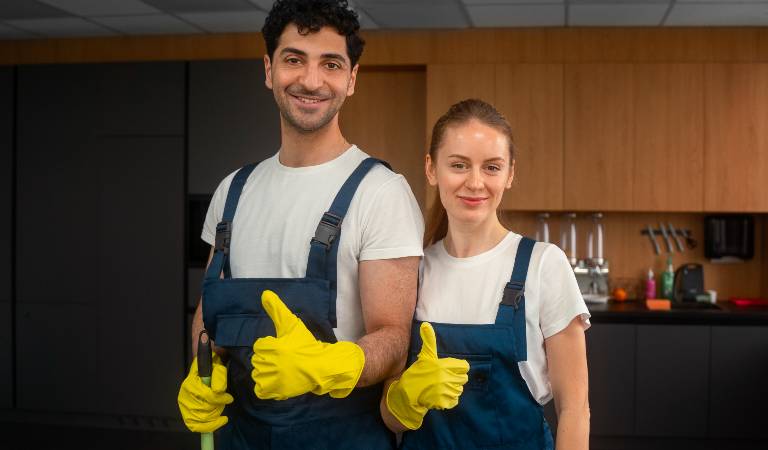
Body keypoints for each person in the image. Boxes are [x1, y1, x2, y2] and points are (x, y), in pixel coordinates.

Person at [176, 1, 424, 449]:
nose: (311, 81)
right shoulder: (232, 191)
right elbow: (207, 316)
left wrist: (335, 365)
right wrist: (201, 368)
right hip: (239, 435)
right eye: (294, 59)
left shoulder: (381, 193)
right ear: (269, 69)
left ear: (351, 79)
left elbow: (393, 338)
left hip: (341, 436)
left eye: (330, 64)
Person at [380, 99, 591, 449]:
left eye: (491, 167)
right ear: (431, 169)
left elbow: (575, 409)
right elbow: (388, 416)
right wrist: (404, 399)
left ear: (510, 174)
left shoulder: (543, 265)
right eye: (459, 165)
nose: (475, 182)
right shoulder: (412, 273)